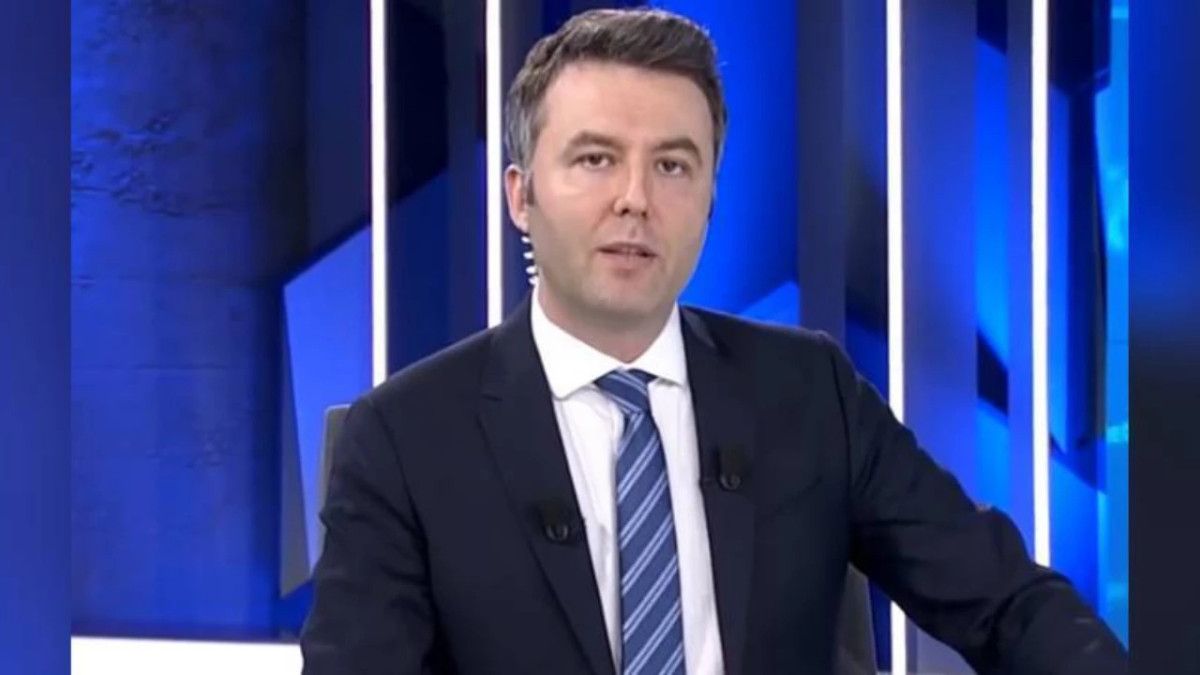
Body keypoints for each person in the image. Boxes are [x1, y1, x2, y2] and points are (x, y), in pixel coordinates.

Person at [301, 8, 1127, 674]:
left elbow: (1007, 603)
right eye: (595, 159)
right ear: (521, 196)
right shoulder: (406, 440)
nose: (635, 198)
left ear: (708, 198)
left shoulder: (811, 392)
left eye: (673, 165)